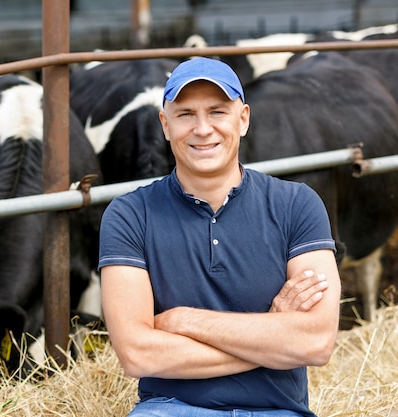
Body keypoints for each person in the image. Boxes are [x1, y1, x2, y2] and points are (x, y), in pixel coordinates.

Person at [98, 57, 341, 417]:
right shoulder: (129, 215)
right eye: (185, 114)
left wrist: (182, 321)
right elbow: (138, 354)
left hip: (278, 411)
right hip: (170, 410)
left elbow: (316, 342)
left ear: (242, 119)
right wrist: (272, 336)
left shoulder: (297, 204)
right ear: (165, 125)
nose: (202, 129)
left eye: (217, 112)